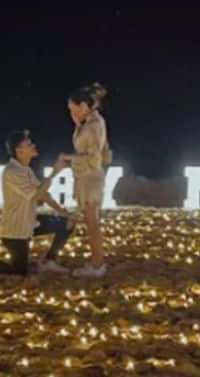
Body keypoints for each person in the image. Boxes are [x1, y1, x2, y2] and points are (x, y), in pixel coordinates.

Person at [0, 130, 75, 277]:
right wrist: (54, 172)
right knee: (20, 273)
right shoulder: (12, 172)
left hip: (30, 224)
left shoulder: (25, 169)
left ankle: (49, 261)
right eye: (29, 144)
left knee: (67, 222)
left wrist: (63, 212)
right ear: (19, 151)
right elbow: (36, 194)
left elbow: (44, 194)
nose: (33, 146)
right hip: (15, 232)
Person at [59, 82, 111, 278]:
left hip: (90, 177)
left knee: (92, 222)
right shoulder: (94, 122)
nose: (71, 114)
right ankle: (97, 263)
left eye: (73, 109)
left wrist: (67, 157)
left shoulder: (92, 127)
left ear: (82, 106)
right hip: (89, 176)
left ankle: (97, 265)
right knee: (91, 221)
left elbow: (93, 157)